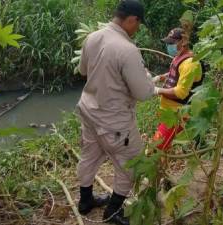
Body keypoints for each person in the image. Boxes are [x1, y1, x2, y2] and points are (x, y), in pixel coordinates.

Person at [76, 1, 157, 224]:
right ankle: (112, 212)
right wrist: (148, 79)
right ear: (132, 19)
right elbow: (143, 93)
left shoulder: (92, 37)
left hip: (89, 110)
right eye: (138, 24)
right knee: (132, 163)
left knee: (90, 155)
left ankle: (85, 201)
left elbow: (83, 70)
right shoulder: (128, 49)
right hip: (113, 120)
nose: (137, 29)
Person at [153, 28, 203, 151]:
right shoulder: (179, 57)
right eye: (167, 43)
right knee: (163, 148)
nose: (169, 46)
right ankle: (161, 169)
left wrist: (157, 90)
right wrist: (160, 77)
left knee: (157, 148)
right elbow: (174, 73)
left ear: (183, 42)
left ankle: (156, 168)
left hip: (177, 114)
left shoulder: (190, 63)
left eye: (172, 43)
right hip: (167, 111)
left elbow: (181, 93)